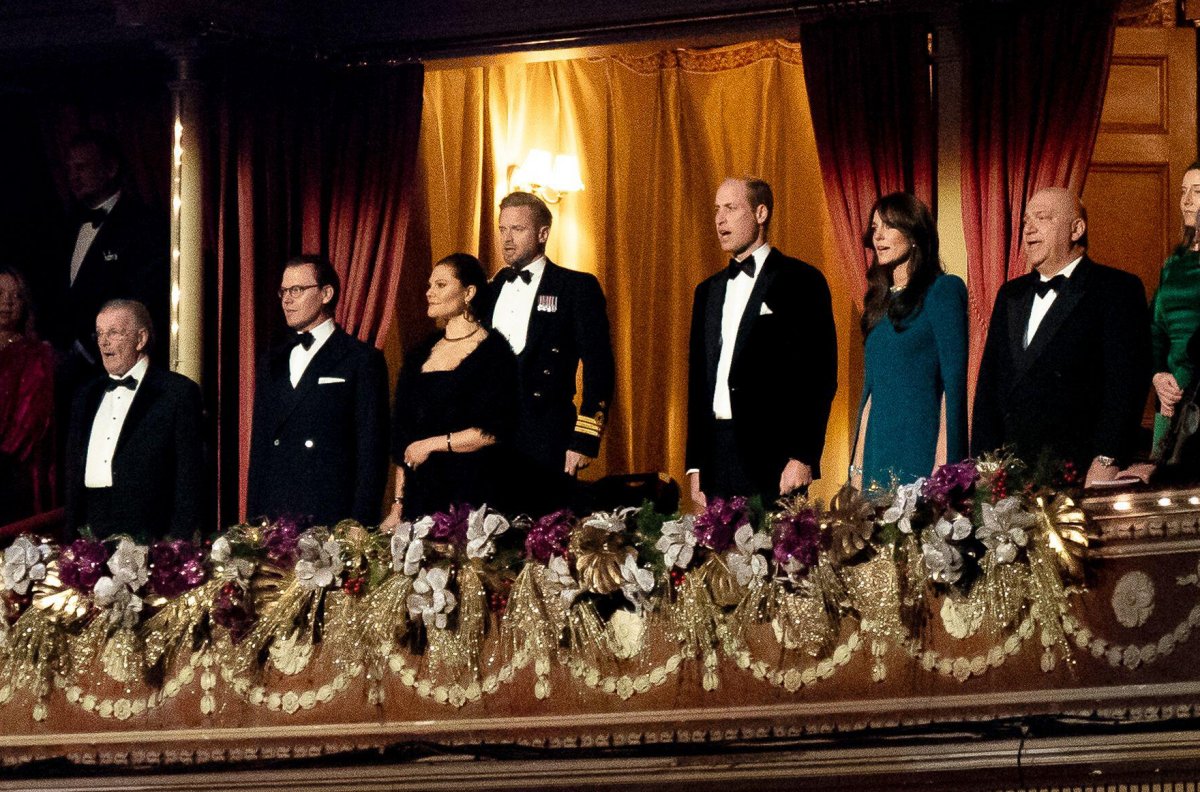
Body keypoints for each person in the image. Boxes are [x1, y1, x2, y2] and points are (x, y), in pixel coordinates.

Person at [972, 187, 1152, 485]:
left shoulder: (1116, 289)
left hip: (1080, 473)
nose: (1028, 229)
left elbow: (1127, 383)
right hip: (1008, 479)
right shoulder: (1010, 294)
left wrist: (1106, 458)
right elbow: (989, 386)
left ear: (1076, 229)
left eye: (1042, 218)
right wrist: (983, 466)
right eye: (1026, 221)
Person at [686, 176, 838, 506]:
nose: (720, 219)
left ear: (760, 213)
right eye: (716, 209)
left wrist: (803, 455)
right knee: (720, 557)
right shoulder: (707, 291)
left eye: (731, 208)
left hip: (775, 458)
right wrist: (696, 462)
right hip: (717, 456)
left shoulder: (801, 281)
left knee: (777, 556)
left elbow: (819, 376)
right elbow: (699, 381)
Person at [476, 191, 615, 514]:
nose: (507, 239)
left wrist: (584, 439)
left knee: (543, 539)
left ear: (542, 234)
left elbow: (599, 367)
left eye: (517, 229)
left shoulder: (575, 287)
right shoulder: (490, 290)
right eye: (502, 229)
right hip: (490, 437)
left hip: (546, 436)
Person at [247, 255, 389, 527]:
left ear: (326, 293)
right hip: (277, 517)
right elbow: (260, 450)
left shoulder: (361, 359)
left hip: (331, 516)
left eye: (297, 290)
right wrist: (254, 524)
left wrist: (359, 525)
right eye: (283, 291)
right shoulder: (271, 362)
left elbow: (372, 452)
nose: (286, 300)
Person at [381, 254, 518, 525]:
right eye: (430, 286)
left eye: (441, 285)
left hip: (471, 495)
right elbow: (403, 440)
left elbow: (494, 431)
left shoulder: (495, 352)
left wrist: (432, 444)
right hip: (420, 499)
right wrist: (398, 506)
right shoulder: (419, 354)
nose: (429, 293)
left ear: (468, 292)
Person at [850, 193, 968, 487]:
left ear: (914, 233)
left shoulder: (943, 290)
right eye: (874, 228)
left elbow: (952, 388)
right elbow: (870, 396)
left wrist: (944, 472)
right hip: (875, 460)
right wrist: (855, 471)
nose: (878, 236)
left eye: (889, 226)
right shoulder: (878, 303)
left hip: (920, 455)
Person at [65, 300, 203, 542]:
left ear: (141, 339)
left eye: (114, 333)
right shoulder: (85, 396)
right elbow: (73, 477)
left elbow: (189, 478)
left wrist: (177, 545)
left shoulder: (176, 392)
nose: (104, 342)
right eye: (99, 333)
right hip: (91, 535)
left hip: (151, 536)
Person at [45, 132, 168, 399]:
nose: (73, 176)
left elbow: (140, 297)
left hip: (114, 367)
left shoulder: (142, 224)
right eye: (69, 169)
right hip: (64, 374)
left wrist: (85, 349)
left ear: (110, 169)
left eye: (82, 168)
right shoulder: (66, 224)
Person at [1149, 163, 1200, 451]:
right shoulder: (1174, 263)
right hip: (1172, 400)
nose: (1186, 201)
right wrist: (1159, 375)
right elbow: (1154, 329)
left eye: (1197, 191)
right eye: (1183, 191)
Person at [0, 266, 56, 524]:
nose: (7, 303)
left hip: (12, 473)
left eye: (16, 296)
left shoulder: (37, 356)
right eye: (0, 293)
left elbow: (29, 421)